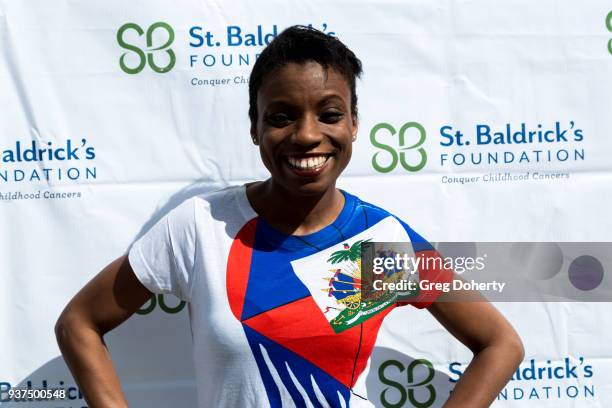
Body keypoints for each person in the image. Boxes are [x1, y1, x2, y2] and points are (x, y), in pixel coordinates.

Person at [55, 25, 524, 407]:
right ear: (255, 127)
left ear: (354, 124)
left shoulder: (377, 244)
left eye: (329, 114)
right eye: (281, 117)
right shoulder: (202, 226)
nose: (306, 135)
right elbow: (80, 322)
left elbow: (500, 344)